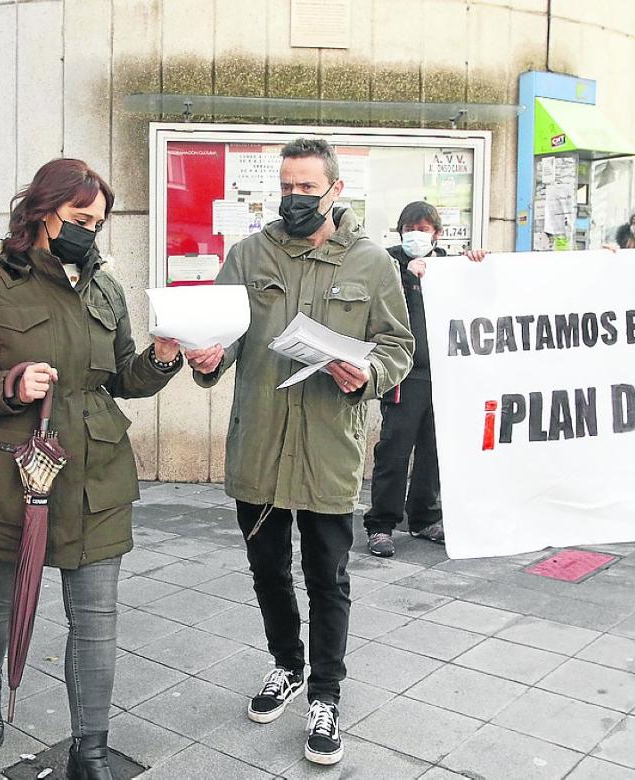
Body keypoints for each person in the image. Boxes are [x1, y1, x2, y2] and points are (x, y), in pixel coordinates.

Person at [0, 158, 187, 779]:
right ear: (41, 210)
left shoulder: (106, 286)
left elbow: (123, 378)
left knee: (97, 614)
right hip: (11, 471)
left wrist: (161, 359)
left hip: (96, 472)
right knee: (0, 598)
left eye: (98, 222)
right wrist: (12, 384)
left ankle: (91, 750)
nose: (89, 232)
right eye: (80, 218)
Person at [185, 138, 414, 767]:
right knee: (266, 570)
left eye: (308, 188)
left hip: (326, 448)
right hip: (259, 442)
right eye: (287, 186)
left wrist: (366, 375)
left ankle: (326, 695)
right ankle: (286, 665)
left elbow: (398, 347)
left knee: (327, 577)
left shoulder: (372, 264)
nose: (295, 198)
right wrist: (208, 357)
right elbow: (223, 338)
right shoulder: (248, 255)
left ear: (336, 191)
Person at [363, 202, 486, 558]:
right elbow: (375, 302)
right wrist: (405, 275)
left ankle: (424, 516)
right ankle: (382, 524)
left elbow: (479, 294)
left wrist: (476, 263)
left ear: (437, 233)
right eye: (409, 228)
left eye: (424, 228)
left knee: (434, 449)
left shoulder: (448, 266)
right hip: (404, 374)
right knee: (394, 449)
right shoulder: (386, 264)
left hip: (444, 373)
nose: (416, 235)